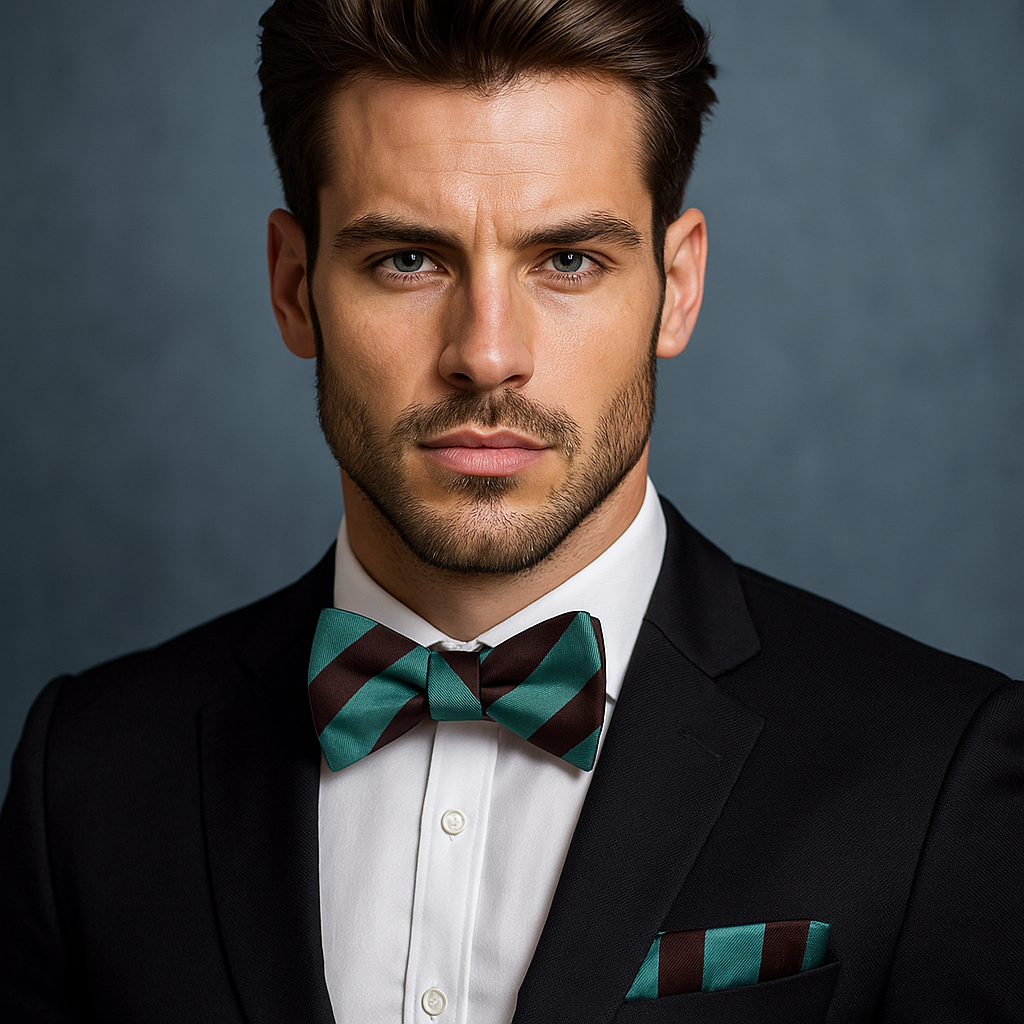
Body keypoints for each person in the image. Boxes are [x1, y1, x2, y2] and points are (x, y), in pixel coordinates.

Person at [1, 0, 1020, 1020]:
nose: (486, 354)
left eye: (567, 260)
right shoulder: (85, 773)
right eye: (406, 259)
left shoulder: (937, 771)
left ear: (674, 287)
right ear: (292, 286)